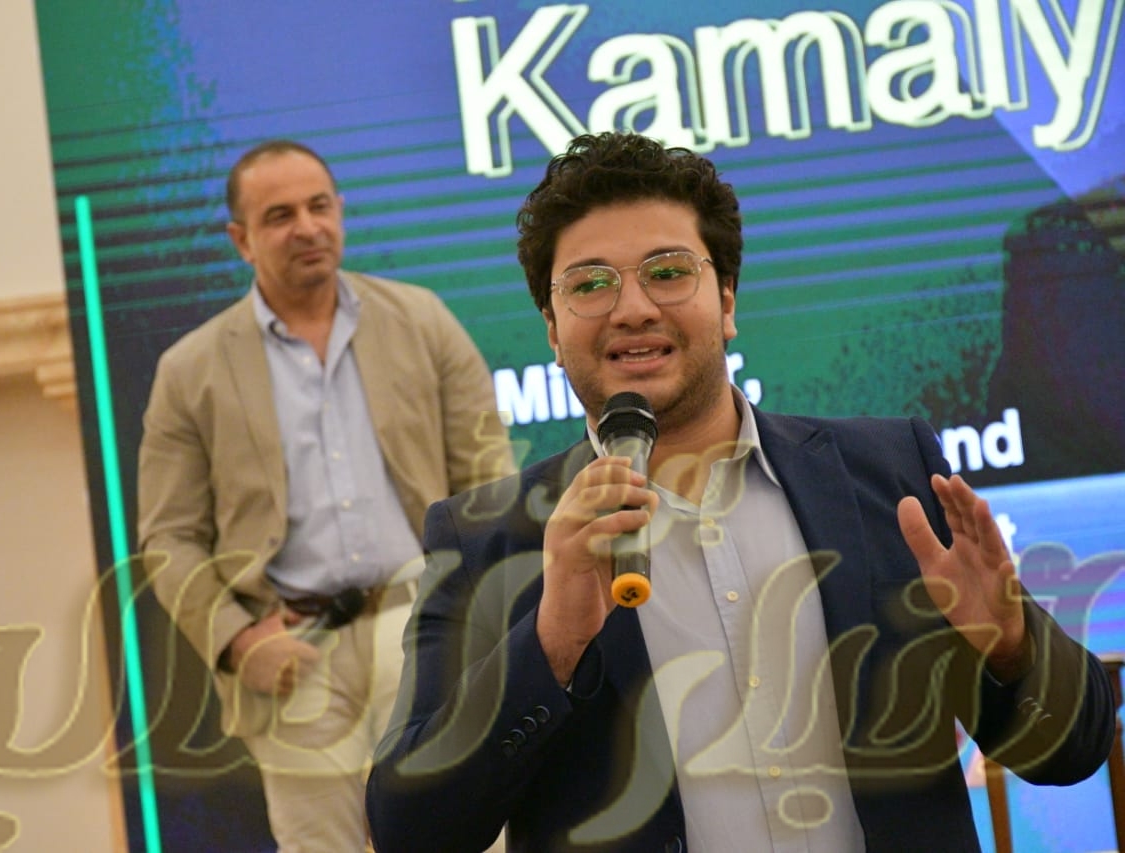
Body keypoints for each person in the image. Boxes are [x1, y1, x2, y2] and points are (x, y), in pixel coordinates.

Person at [365, 132, 1116, 852]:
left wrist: (1014, 647)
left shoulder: (888, 476)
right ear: (553, 331)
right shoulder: (488, 538)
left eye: (667, 272)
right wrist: (552, 640)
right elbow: (411, 831)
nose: (633, 308)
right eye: (590, 284)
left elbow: (1074, 749)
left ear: (726, 300)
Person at [137, 138, 514, 852]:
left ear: (340, 211)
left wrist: (476, 609)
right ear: (241, 239)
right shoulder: (190, 370)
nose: (306, 227)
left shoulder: (421, 319)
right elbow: (168, 538)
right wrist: (237, 640)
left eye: (318, 206)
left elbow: (488, 478)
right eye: (279, 215)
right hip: (288, 654)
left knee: (467, 838)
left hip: (424, 626)